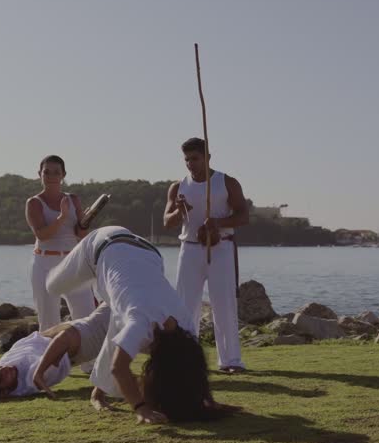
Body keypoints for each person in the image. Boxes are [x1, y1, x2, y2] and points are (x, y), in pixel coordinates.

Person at [46, 225, 226, 423]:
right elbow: (118, 368)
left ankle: (97, 393)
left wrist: (205, 399)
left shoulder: (185, 327)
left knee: (120, 318)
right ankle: (98, 392)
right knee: (53, 286)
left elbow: (193, 370)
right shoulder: (140, 322)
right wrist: (141, 408)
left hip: (150, 255)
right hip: (103, 243)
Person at [163, 137, 250, 374]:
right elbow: (167, 222)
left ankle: (231, 361)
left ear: (208, 157)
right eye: (187, 159)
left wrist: (218, 222)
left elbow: (243, 216)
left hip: (220, 248)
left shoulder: (226, 182)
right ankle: (186, 358)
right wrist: (180, 211)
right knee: (184, 305)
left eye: (196, 158)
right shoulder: (178, 187)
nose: (191, 164)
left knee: (223, 303)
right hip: (189, 248)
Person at [0, 304, 110, 405]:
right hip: (86, 336)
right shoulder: (30, 378)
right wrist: (39, 373)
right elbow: (64, 337)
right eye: (1, 377)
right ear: (4, 394)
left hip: (79, 328)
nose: (5, 368)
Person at [25, 155, 98, 331]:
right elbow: (42, 235)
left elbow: (81, 234)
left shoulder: (73, 199)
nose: (51, 176)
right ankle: (52, 358)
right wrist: (62, 218)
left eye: (56, 172)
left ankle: (89, 359)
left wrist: (86, 220)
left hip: (73, 262)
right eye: (46, 172)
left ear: (63, 175)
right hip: (45, 264)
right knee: (49, 322)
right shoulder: (34, 203)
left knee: (86, 316)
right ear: (39, 174)